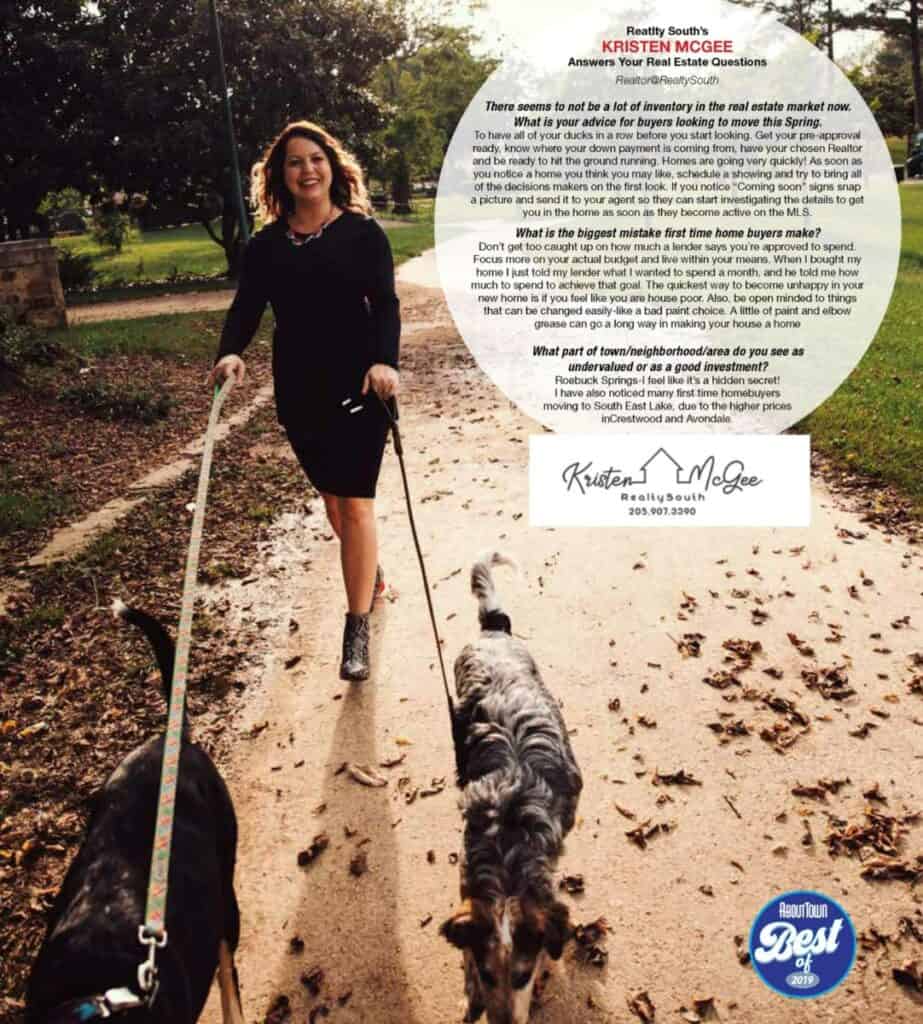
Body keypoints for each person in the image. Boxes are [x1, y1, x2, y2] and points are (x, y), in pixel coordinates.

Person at [207, 120, 400, 682]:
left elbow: (385, 304)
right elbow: (246, 307)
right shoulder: (266, 246)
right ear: (279, 175)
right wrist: (231, 352)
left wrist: (385, 361)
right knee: (336, 505)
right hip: (300, 390)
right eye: (294, 162)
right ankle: (371, 573)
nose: (307, 170)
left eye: (315, 158)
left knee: (358, 502)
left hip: (363, 388)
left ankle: (356, 625)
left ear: (332, 167)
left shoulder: (364, 235)